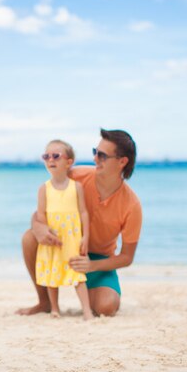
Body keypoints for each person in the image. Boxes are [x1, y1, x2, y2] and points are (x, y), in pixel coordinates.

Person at [18, 129, 142, 317]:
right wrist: (38, 227)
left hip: (98, 259)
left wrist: (90, 266)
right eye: (95, 152)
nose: (95, 159)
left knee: (107, 307)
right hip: (61, 247)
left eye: (102, 155)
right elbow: (42, 210)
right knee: (29, 237)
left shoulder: (132, 205)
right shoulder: (76, 176)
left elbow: (126, 257)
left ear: (122, 162)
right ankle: (45, 302)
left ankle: (88, 294)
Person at [35, 140, 92, 320]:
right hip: (54, 238)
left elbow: (83, 212)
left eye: (56, 156)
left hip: (72, 238)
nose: (50, 160)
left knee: (77, 274)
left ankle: (87, 311)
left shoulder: (76, 187)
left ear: (69, 162)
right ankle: (54, 308)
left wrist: (86, 237)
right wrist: (47, 233)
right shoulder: (44, 188)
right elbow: (41, 213)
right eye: (46, 156)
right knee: (53, 273)